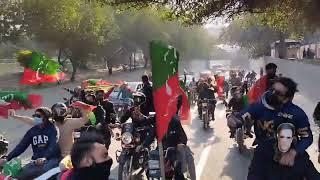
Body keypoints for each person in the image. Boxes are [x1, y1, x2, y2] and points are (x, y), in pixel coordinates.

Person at [228, 77, 313, 179]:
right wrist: (233, 119)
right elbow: (243, 115)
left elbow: (307, 137)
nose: (272, 93)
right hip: (263, 156)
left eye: (278, 93)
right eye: (272, 89)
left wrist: (294, 152)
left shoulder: (297, 114)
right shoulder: (259, 106)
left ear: (288, 98)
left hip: (289, 157)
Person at [0, 107, 61, 179]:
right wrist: (7, 158)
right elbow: (21, 146)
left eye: (38, 116)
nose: (35, 118)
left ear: (46, 117)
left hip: (51, 160)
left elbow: (52, 146)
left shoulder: (53, 129)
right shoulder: (32, 131)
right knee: (20, 176)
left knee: (41, 173)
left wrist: (44, 158)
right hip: (35, 162)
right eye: (34, 115)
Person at [162, 95, 196, 180]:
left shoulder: (175, 121)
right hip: (162, 149)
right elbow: (151, 134)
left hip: (175, 149)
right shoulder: (159, 121)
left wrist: (181, 144)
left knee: (187, 157)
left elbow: (183, 137)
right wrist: (143, 145)